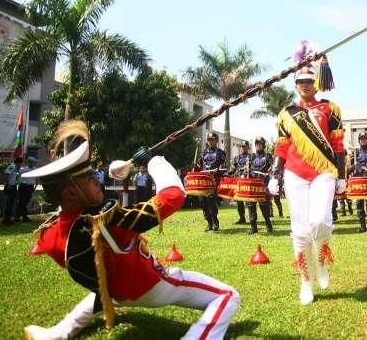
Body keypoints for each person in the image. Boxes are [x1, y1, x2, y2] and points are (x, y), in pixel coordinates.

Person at [22, 120, 240, 340]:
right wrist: (154, 162)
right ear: (70, 193)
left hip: (113, 291)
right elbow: (173, 196)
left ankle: (58, 333)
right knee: (229, 295)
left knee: (98, 294)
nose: (98, 180)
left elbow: (71, 217)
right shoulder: (108, 222)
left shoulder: (48, 234)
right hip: (150, 287)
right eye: (89, 178)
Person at [268, 45, 345, 305]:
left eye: (308, 81)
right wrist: (274, 175)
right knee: (299, 231)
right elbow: (280, 147)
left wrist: (342, 176)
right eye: (299, 81)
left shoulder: (330, 108)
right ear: (295, 83)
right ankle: (305, 281)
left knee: (321, 221)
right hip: (294, 173)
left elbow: (338, 145)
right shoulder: (287, 113)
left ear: (316, 82)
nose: (304, 85)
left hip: (324, 171)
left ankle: (321, 262)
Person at [349, 132, 367, 232]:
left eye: (364, 139)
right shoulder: (355, 153)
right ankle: (362, 226)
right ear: (359, 140)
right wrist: (354, 167)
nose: (363, 140)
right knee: (359, 204)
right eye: (361, 139)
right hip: (359, 181)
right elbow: (350, 168)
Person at [246, 137, 274, 234]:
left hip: (263, 184)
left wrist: (269, 173)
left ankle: (268, 223)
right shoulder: (251, 157)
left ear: (263, 145)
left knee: (264, 206)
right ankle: (253, 227)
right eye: (256, 143)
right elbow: (247, 168)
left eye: (260, 143)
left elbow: (273, 168)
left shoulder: (268, 156)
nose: (258, 145)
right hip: (252, 184)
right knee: (250, 205)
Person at [199, 132, 226, 231]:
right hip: (204, 180)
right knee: (202, 201)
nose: (210, 142)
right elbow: (200, 165)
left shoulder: (221, 153)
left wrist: (218, 170)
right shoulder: (204, 153)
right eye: (209, 140)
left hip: (214, 180)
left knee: (211, 200)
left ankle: (215, 221)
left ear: (216, 141)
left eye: (212, 140)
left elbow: (224, 167)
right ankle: (209, 222)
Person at [230, 140, 251, 224]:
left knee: (249, 201)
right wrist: (227, 173)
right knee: (239, 200)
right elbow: (233, 169)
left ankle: (252, 218)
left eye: (245, 146)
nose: (243, 148)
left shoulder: (251, 157)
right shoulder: (237, 158)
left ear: (248, 147)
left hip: (248, 180)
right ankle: (242, 218)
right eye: (242, 146)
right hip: (239, 180)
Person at [16, 156, 38, 222]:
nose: (32, 164)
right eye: (30, 162)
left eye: (33, 162)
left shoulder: (35, 169)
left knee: (25, 202)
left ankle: (19, 216)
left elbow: (36, 178)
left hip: (30, 187)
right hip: (24, 186)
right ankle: (23, 216)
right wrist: (18, 186)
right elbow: (19, 178)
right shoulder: (23, 169)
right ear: (28, 162)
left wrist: (35, 186)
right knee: (22, 202)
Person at [3, 157, 23, 225]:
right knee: (9, 203)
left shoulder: (17, 169)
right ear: (18, 162)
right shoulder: (12, 166)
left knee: (11, 203)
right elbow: (6, 174)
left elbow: (16, 178)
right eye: (20, 163)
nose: (21, 165)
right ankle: (6, 219)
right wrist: (7, 184)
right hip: (9, 186)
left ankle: (9, 218)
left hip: (13, 186)